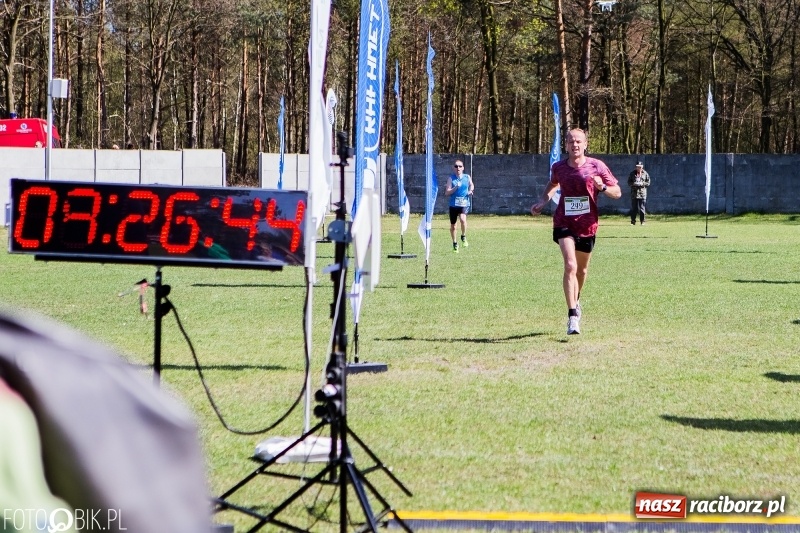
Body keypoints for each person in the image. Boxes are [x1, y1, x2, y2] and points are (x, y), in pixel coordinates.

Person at [531, 128, 621, 335]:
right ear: (566, 145)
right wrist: (543, 201)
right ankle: (572, 316)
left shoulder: (597, 166)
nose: (575, 145)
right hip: (563, 222)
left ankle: (576, 299)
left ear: (585, 144)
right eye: (571, 141)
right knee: (570, 265)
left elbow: (617, 192)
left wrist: (602, 188)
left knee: (581, 271)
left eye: (579, 141)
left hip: (587, 224)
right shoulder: (559, 167)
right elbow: (553, 184)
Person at [445, 159, 474, 252]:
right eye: (456, 166)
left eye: (460, 166)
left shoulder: (467, 177)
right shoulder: (451, 178)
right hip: (453, 205)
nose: (458, 168)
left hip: (464, 204)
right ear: (453, 168)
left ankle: (463, 235)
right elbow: (447, 192)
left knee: (463, 219)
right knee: (453, 226)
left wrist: (470, 191)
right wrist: (455, 187)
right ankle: (454, 243)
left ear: (463, 168)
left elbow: (472, 185)